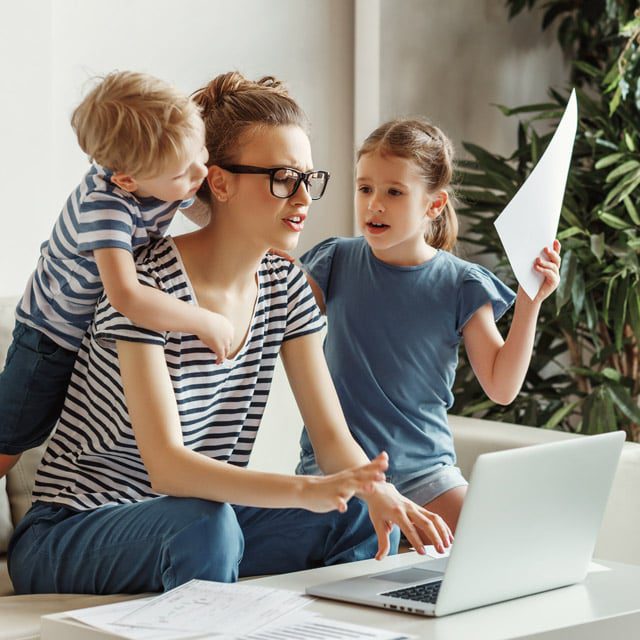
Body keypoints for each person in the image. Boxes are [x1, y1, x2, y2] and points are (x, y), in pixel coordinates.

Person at [8, 74, 453, 596]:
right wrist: (304, 489)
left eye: (310, 178)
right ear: (219, 183)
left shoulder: (285, 283)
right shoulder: (145, 284)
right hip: (72, 529)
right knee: (206, 525)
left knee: (353, 512)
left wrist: (378, 491)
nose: (304, 197)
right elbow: (168, 469)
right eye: (285, 177)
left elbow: (333, 440)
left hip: (189, 522)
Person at [296, 117, 562, 532]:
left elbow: (501, 386)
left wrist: (530, 301)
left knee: (491, 541)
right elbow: (271, 320)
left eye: (394, 192)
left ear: (433, 205)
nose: (374, 204)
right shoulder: (334, 262)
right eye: (365, 188)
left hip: (427, 476)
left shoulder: (462, 284)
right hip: (336, 473)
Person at [0, 70, 234, 479]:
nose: (200, 173)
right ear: (127, 179)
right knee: (12, 439)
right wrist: (203, 320)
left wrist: (255, 243)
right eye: (184, 172)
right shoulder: (104, 206)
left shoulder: (164, 176)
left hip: (90, 338)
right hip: (49, 338)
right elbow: (126, 295)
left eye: (201, 153)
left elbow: (210, 213)